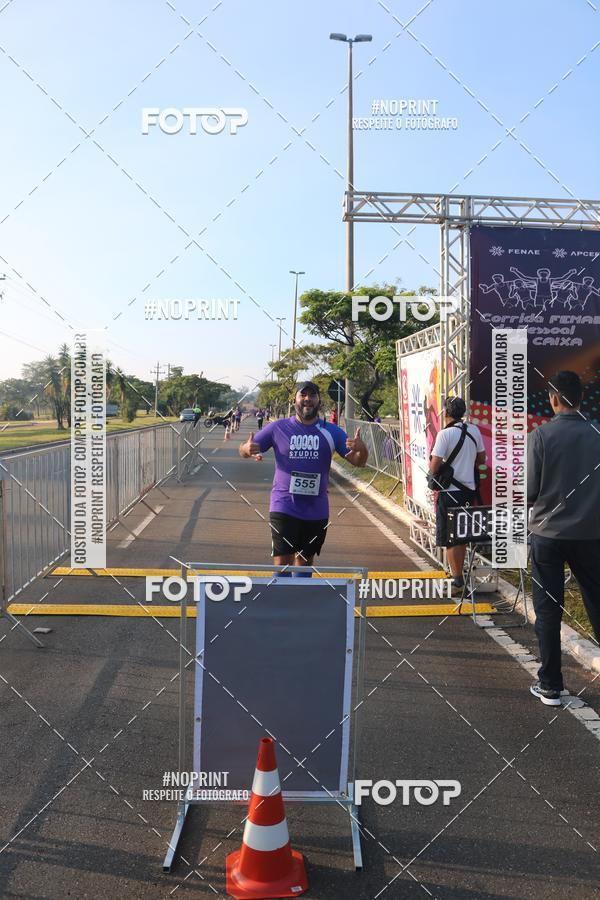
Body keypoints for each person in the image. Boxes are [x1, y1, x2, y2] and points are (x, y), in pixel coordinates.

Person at [239, 381, 368, 573]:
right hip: (283, 504)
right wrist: (246, 449)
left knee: (305, 563)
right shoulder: (278, 428)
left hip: (316, 509)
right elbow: (243, 450)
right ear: (295, 400)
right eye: (303, 395)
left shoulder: (332, 432)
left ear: (319, 401)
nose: (307, 399)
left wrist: (362, 449)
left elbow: (359, 462)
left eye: (312, 395)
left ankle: (300, 599)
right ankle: (282, 602)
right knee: (283, 563)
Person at [527, 370, 600, 705]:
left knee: (548, 608)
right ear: (581, 398)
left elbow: (530, 490)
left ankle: (551, 685)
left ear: (553, 399)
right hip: (591, 535)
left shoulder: (541, 436)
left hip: (548, 535)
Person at [428, 397, 486, 592]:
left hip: (449, 493)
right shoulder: (474, 430)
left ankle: (457, 581)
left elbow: (434, 466)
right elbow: (481, 459)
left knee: (450, 538)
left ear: (445, 413)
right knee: (461, 536)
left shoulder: (444, 435)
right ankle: (458, 575)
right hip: (468, 492)